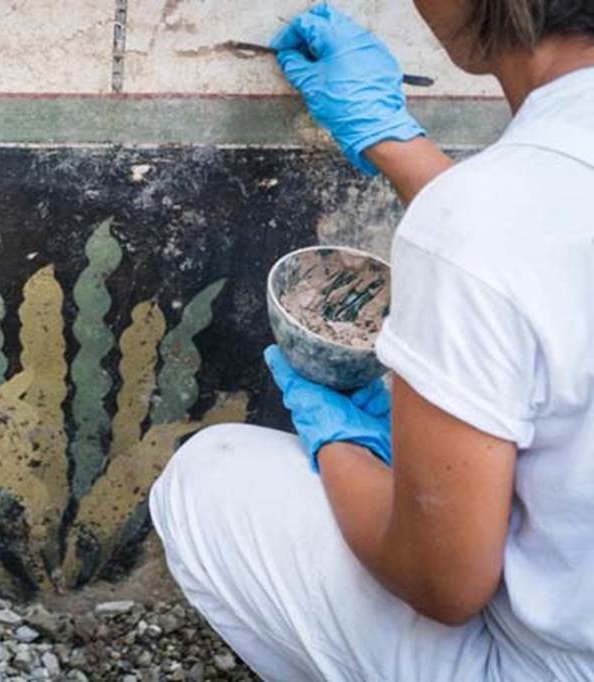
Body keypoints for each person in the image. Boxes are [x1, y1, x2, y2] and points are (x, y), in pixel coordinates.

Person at [149, 1, 594, 679]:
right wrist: (396, 142)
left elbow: (441, 585)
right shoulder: (504, 213)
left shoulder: (483, 221)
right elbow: (548, 240)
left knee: (208, 479)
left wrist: (341, 448)